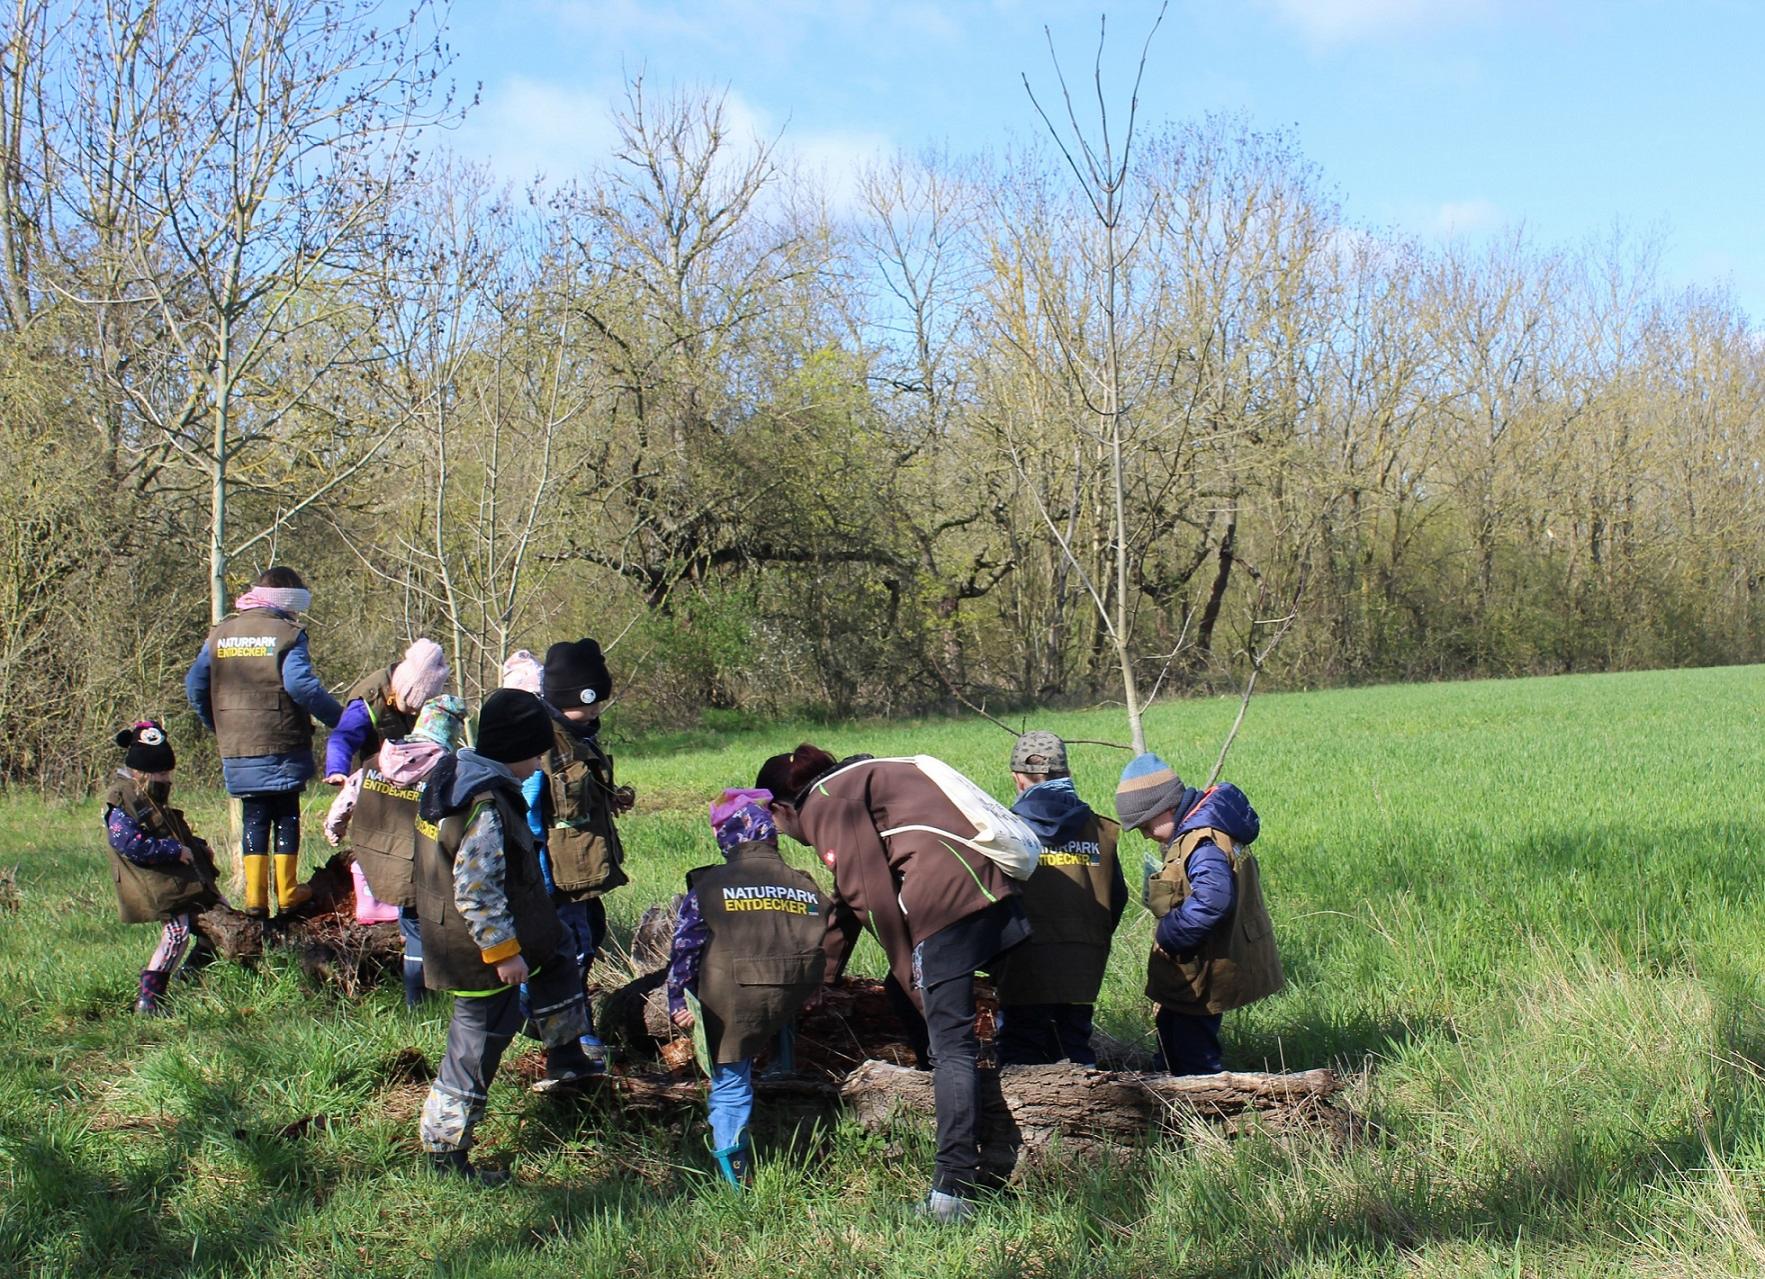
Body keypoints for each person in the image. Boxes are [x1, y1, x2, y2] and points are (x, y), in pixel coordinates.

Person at [757, 745, 1029, 1224]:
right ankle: (943, 1101)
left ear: (782, 806)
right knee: (913, 1007)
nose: (783, 833)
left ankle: (953, 1191)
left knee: (953, 1048)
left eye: (777, 822)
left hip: (949, 905)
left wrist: (915, 981)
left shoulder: (824, 802)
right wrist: (823, 977)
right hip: (998, 895)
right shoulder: (865, 776)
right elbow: (846, 901)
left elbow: (874, 902)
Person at [413, 688, 597, 1184]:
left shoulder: (460, 773)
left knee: (559, 956)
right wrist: (502, 953)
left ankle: (566, 1056)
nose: (539, 765)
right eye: (535, 754)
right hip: (477, 950)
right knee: (475, 1048)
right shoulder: (485, 803)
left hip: (504, 933)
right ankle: (445, 1152)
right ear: (514, 748)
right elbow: (475, 890)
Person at [666, 789, 827, 1186]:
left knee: (732, 1083)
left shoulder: (711, 884)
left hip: (733, 995)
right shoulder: (804, 884)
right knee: (779, 1028)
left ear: (728, 836)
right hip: (794, 990)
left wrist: (678, 998)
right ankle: (784, 1087)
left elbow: (686, 946)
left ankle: (735, 1178)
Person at [185, 567, 343, 918]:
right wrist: (343, 722)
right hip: (281, 739)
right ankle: (287, 893)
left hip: (237, 744)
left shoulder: (220, 633)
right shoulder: (287, 634)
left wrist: (220, 724)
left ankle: (255, 900)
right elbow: (302, 687)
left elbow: (195, 685)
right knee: (286, 815)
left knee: (254, 815)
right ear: (287, 603)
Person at [1114, 752, 1284, 1076]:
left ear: (1163, 807)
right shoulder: (1203, 829)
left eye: (1146, 825)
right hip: (1201, 966)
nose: (1146, 834)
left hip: (1204, 972)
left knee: (1194, 1056)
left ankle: (1203, 1113)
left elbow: (1212, 899)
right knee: (1172, 1030)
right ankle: (1169, 1096)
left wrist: (1170, 934)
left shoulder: (1202, 840)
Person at [323, 695, 467, 1007]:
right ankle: (421, 1002)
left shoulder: (380, 759)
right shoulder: (444, 770)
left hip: (377, 861)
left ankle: (424, 986)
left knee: (410, 921)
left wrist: (334, 826)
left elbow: (348, 795)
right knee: (420, 929)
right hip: (420, 868)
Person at [993, 731, 1126, 1066]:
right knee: (1074, 1045)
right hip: (1084, 962)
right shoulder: (1100, 829)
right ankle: (1089, 1116)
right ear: (1066, 775)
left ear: (1018, 779)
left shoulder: (1009, 831)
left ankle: (1025, 1117)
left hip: (1023, 962)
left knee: (1019, 1052)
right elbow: (1118, 898)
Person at [102, 722, 221, 1015]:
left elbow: (176, 833)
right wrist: (172, 851)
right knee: (176, 934)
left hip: (184, 878)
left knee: (220, 918)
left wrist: (197, 846)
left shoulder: (154, 797)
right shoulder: (122, 799)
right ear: (142, 770)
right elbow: (128, 843)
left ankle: (190, 978)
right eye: (162, 772)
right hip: (157, 881)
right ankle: (150, 998)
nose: (168, 778)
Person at [536, 639, 633, 981]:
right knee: (574, 948)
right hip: (561, 874)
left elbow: (582, 790)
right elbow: (533, 810)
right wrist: (540, 878)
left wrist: (610, 797)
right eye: (591, 704)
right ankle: (570, 1026)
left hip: (583, 871)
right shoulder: (544, 743)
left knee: (592, 933)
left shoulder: (582, 737)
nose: (596, 712)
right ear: (568, 699)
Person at [321, 639, 450, 784]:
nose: (415, 713)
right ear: (399, 690)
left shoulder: (433, 706)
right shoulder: (369, 700)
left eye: (421, 707)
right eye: (411, 705)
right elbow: (343, 737)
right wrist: (337, 770)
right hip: (371, 780)